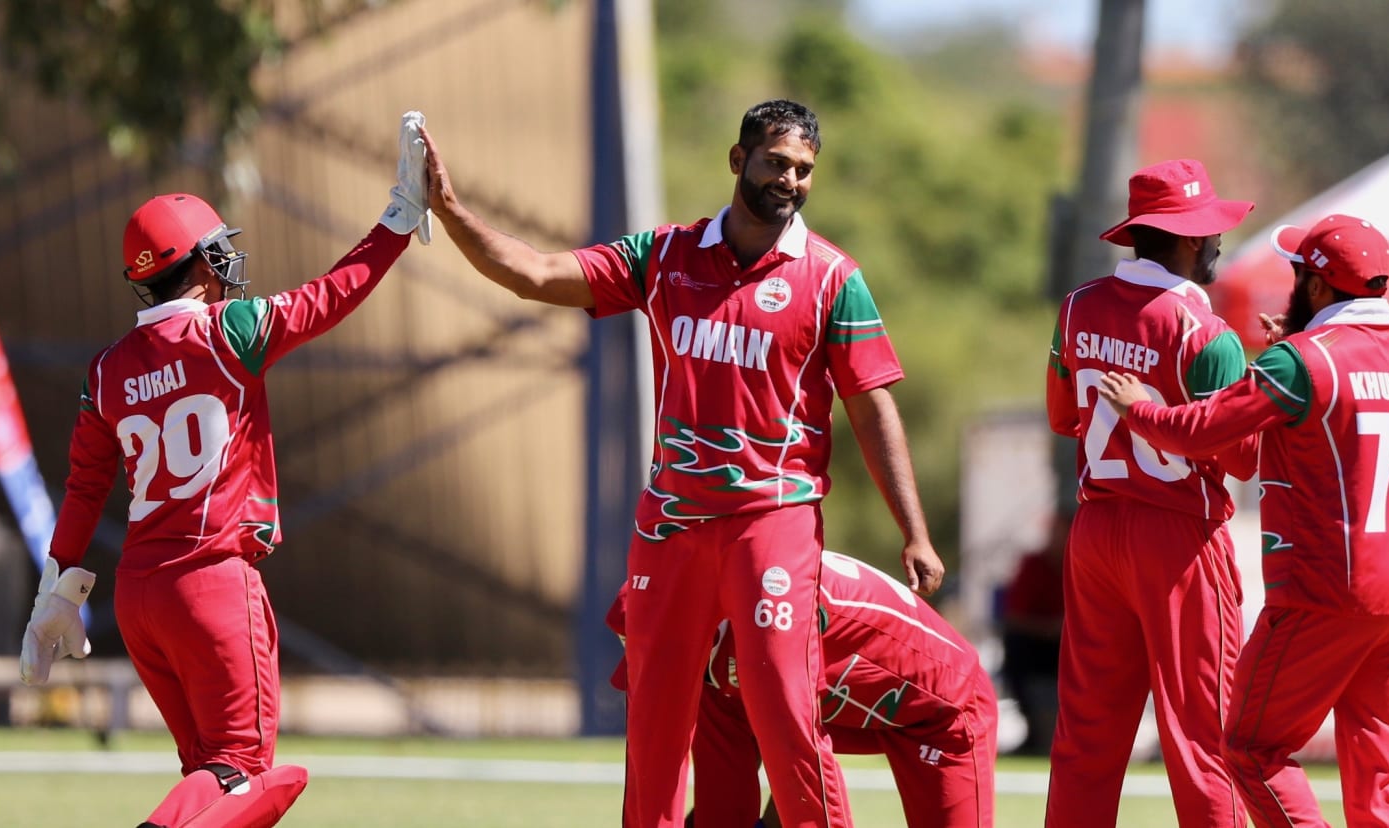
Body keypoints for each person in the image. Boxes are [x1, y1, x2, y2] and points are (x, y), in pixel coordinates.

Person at [420, 99, 943, 828]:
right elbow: (536, 274)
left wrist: (913, 531)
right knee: (657, 728)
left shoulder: (832, 278)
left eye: (803, 170)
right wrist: (448, 210)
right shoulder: (663, 257)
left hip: (773, 521)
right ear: (738, 161)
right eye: (775, 162)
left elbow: (872, 406)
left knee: (787, 710)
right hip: (669, 528)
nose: (789, 180)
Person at [16, 113, 432, 828]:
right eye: (217, 252)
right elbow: (333, 296)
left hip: (139, 596)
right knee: (248, 775)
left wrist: (57, 590)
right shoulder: (228, 332)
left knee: (212, 778)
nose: (226, 263)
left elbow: (87, 485)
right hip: (212, 583)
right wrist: (399, 216)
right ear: (200, 263)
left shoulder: (107, 370)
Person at [1098, 214, 1389, 828]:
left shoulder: (1302, 361)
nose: (1293, 288)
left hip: (1325, 591)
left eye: (1298, 276)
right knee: (1385, 777)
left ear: (1321, 290)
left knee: (1250, 746)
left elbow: (1201, 431)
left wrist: (1141, 409)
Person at [1043, 158, 1256, 828]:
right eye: (1213, 230)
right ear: (1190, 239)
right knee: (1205, 738)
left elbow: (1061, 416)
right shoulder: (1206, 333)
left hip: (1098, 530)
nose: (1219, 242)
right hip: (1180, 541)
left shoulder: (1077, 307)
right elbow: (1243, 457)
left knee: (1086, 737)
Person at [609, 550, 996, 828]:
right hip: (837, 700)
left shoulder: (773, 616)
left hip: (945, 710)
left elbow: (803, 773)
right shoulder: (713, 661)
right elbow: (724, 806)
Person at [999, 506, 1068, 756]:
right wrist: (1053, 627)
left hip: (1074, 645)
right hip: (1041, 645)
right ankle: (1033, 727)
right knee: (1016, 644)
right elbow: (1015, 618)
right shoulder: (1034, 565)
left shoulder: (1084, 565)